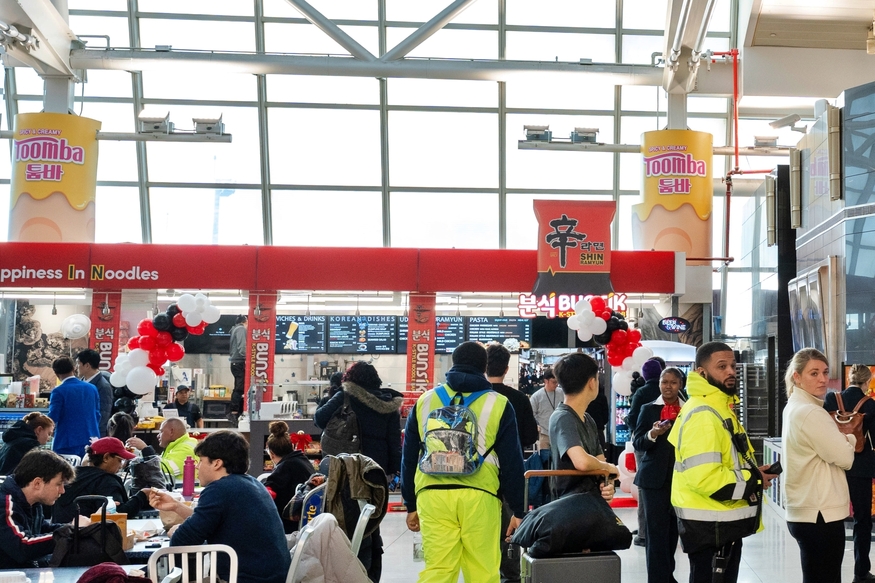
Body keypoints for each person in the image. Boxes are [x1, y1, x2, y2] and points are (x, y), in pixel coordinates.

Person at [401, 341, 526, 583]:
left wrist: (410, 504)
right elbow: (512, 462)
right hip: (480, 496)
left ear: (453, 364)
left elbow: (408, 457)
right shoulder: (498, 403)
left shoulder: (425, 400)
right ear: (484, 367)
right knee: (482, 571)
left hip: (432, 495)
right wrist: (519, 510)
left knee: (438, 571)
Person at [667, 342, 775, 583]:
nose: (731, 372)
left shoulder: (718, 407)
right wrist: (753, 480)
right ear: (702, 372)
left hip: (719, 525)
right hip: (710, 527)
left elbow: (726, 462)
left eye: (733, 366)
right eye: (722, 366)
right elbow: (706, 478)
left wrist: (754, 474)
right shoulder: (704, 414)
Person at [148, 431, 290, 583]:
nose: (197, 466)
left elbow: (182, 540)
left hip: (248, 578)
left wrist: (176, 531)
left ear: (217, 463)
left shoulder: (219, 489)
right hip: (273, 575)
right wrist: (176, 506)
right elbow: (211, 521)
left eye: (201, 460)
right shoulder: (250, 483)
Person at [315, 361, 403, 582]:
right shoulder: (389, 405)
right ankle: (371, 573)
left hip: (348, 469)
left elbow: (320, 418)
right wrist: (393, 473)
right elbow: (394, 443)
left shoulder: (346, 395)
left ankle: (349, 571)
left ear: (350, 378)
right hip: (376, 472)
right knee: (371, 522)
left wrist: (330, 395)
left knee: (347, 519)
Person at [784, 348, 856, 583]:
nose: (823, 379)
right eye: (813, 373)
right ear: (797, 377)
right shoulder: (810, 412)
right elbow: (845, 458)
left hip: (807, 512)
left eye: (825, 372)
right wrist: (849, 439)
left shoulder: (794, 407)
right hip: (820, 514)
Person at [485, 342, 538, 583]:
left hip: (478, 478)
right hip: (511, 473)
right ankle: (511, 574)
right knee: (510, 529)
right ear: (507, 369)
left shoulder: (475, 398)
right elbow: (530, 436)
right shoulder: (517, 398)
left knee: (482, 530)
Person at [633, 367, 686, 583]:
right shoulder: (648, 409)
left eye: (673, 382)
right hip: (653, 479)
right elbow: (638, 442)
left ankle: (667, 577)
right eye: (664, 382)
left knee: (673, 532)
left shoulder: (689, 409)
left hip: (681, 479)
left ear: (680, 385)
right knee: (655, 534)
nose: (668, 387)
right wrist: (652, 433)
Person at [824, 364, 875, 582]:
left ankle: (829, 571)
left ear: (849, 378)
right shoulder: (870, 405)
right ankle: (861, 572)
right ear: (867, 382)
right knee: (862, 520)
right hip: (861, 468)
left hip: (834, 465)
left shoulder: (831, 399)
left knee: (832, 517)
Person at [549, 352, 618, 500]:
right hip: (569, 504)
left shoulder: (588, 419)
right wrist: (609, 468)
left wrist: (606, 483)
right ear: (592, 383)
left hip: (590, 502)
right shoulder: (563, 417)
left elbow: (600, 462)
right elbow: (582, 462)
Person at [0, 449, 75, 568]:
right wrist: (67, 533)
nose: (62, 491)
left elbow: (42, 529)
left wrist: (75, 527)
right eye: (58, 484)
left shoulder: (33, 503)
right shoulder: (5, 503)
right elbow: (22, 546)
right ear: (37, 483)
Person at [52, 437, 152, 523]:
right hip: (89, 535)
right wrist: (142, 495)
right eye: (119, 460)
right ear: (106, 457)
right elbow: (118, 514)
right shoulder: (107, 481)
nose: (121, 466)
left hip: (62, 534)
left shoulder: (72, 475)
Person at [626, 357, 665, 547]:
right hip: (666, 445)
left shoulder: (641, 392)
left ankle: (643, 532)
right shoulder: (668, 391)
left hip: (644, 444)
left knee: (644, 487)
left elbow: (633, 418)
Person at [264, 420, 315, 534]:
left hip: (290, 526)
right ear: (292, 446)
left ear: (271, 454)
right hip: (308, 519)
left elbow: (265, 494)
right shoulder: (303, 460)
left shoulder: (284, 468)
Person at [48, 356, 101, 457]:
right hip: (92, 439)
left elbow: (52, 417)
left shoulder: (58, 391)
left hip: (66, 442)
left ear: (56, 373)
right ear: (74, 368)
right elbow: (97, 414)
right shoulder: (92, 388)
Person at [126, 418, 197, 481]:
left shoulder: (185, 449)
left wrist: (145, 449)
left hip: (184, 490)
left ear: (171, 431)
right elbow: (161, 462)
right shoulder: (176, 446)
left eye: (161, 431)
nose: (158, 436)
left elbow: (163, 469)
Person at [76, 348, 113, 438]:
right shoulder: (80, 382)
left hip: (93, 435)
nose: (76, 367)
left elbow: (103, 416)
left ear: (87, 365)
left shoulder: (103, 386)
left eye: (78, 363)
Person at [530, 368, 564, 449]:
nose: (556, 384)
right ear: (546, 381)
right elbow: (532, 414)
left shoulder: (562, 393)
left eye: (557, 382)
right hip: (544, 434)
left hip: (561, 433)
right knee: (544, 456)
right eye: (554, 382)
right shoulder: (536, 396)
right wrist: (537, 425)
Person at [229, 314, 248, 422]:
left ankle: (236, 412)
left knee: (239, 387)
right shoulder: (241, 329)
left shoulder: (234, 329)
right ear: (245, 321)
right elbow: (242, 347)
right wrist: (248, 359)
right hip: (239, 362)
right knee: (239, 388)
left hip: (235, 362)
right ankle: (234, 413)